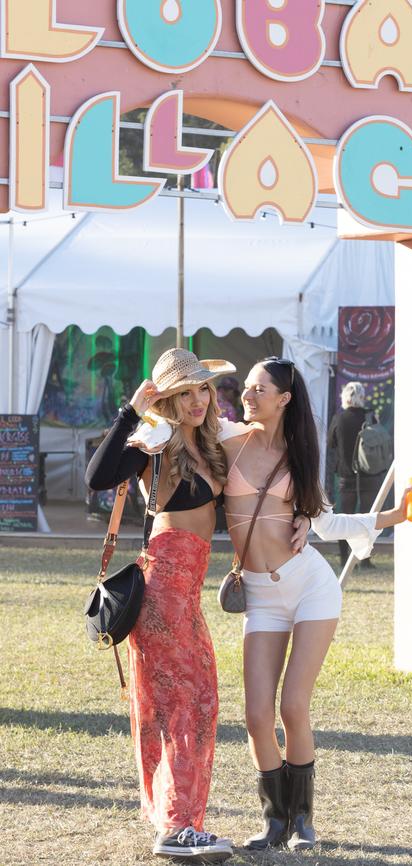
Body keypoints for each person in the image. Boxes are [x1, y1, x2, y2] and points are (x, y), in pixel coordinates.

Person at [218, 357, 411, 852]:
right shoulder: (225, 441)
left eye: (260, 389)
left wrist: (393, 515)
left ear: (284, 399)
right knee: (257, 715)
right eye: (247, 386)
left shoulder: (300, 457)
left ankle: (303, 820)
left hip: (310, 590)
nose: (249, 394)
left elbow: (328, 524)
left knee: (293, 705)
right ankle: (273, 820)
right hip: (260, 594)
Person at [84, 348, 270, 863]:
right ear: (166, 398)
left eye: (202, 389)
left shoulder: (212, 443)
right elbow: (98, 478)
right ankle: (177, 827)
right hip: (162, 588)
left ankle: (180, 819)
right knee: (184, 706)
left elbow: (270, 448)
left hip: (187, 596)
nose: (196, 399)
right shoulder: (156, 440)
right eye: (183, 392)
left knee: (200, 703)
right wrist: (132, 409)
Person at [327, 381, 385, 569]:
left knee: (345, 519)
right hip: (370, 474)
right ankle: (365, 560)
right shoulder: (370, 417)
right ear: (362, 397)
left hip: (346, 476)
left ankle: (346, 561)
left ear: (344, 397)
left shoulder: (339, 418)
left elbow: (331, 443)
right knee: (368, 518)